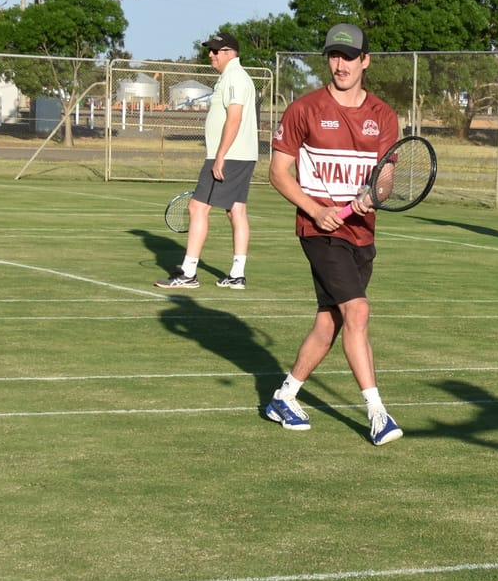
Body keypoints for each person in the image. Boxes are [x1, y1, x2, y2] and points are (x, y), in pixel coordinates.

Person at [261, 22, 405, 446]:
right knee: (357, 311)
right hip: (319, 231)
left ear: (365, 61)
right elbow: (277, 173)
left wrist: (372, 196)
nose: (340, 65)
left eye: (349, 57)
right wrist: (316, 210)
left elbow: (386, 180)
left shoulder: (384, 116)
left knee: (331, 321)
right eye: (334, 56)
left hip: (361, 233)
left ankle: (284, 397)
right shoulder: (303, 109)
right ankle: (377, 413)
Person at [156, 30, 259, 289]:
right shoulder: (233, 77)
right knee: (236, 210)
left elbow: (234, 118)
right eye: (210, 50)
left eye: (215, 51)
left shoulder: (235, 77)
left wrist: (220, 156)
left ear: (229, 53)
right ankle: (237, 275)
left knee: (197, 208)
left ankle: (188, 273)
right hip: (239, 155)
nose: (210, 55)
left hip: (229, 156)